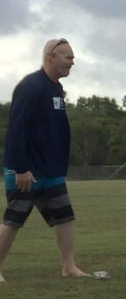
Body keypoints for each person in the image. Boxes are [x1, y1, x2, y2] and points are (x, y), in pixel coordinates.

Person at [0, 38, 91, 282]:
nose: (72, 62)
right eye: (68, 57)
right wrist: (20, 168)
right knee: (13, 220)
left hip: (50, 172)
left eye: (73, 58)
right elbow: (16, 129)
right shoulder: (31, 87)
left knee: (64, 218)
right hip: (26, 172)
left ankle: (69, 267)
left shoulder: (55, 89)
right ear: (51, 57)